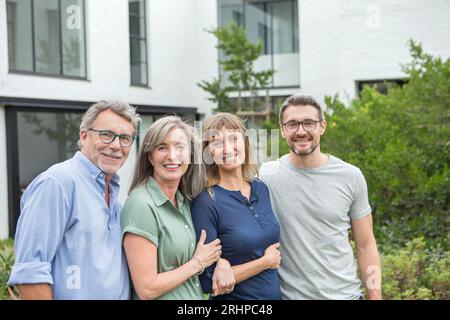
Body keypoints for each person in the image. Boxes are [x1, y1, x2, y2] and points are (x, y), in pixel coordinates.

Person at [8, 100, 140, 299]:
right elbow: (30, 273)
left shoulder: (115, 198)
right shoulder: (57, 183)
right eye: (106, 135)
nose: (115, 145)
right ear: (84, 136)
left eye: (125, 138)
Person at [259, 94, 382, 300]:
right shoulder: (265, 176)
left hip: (346, 296)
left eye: (309, 123)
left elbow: (366, 244)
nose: (301, 131)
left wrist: (375, 295)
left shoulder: (350, 176)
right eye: (292, 124)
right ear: (282, 130)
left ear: (322, 126)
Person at [121, 116, 222, 300]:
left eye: (179, 147)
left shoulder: (184, 201)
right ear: (150, 156)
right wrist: (198, 263)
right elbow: (147, 289)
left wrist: (221, 262)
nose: (172, 155)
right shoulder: (141, 204)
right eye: (162, 147)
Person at [191, 113, 282, 300]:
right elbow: (208, 282)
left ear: (245, 143)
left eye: (233, 139)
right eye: (217, 143)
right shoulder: (206, 200)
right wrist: (265, 262)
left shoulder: (261, 188)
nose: (227, 149)